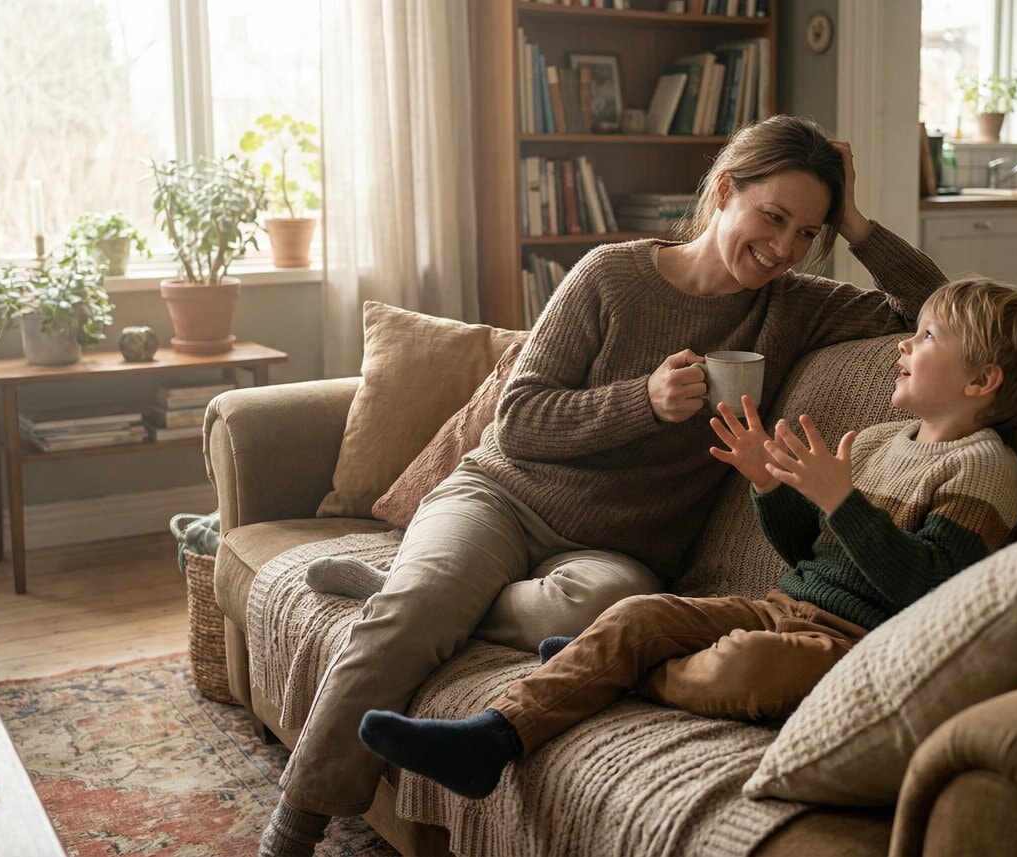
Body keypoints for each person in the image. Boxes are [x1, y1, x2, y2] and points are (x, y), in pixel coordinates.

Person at [260, 114, 951, 855]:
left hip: (618, 550)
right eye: (773, 217)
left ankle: (422, 590)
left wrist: (855, 221)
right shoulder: (610, 275)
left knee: (603, 607)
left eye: (807, 233)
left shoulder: (798, 305)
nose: (784, 248)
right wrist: (641, 402)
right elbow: (519, 417)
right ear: (725, 191)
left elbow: (938, 307)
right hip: (504, 496)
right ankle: (296, 822)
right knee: (413, 612)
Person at [355, 278, 1017, 801]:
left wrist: (841, 499)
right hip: (780, 605)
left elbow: (929, 588)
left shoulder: (986, 469)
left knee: (746, 664)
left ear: (982, 378)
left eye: (925, 337)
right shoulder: (887, 439)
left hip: (858, 647)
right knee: (639, 613)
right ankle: (493, 736)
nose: (903, 344)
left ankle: (617, 670)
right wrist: (769, 486)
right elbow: (812, 556)